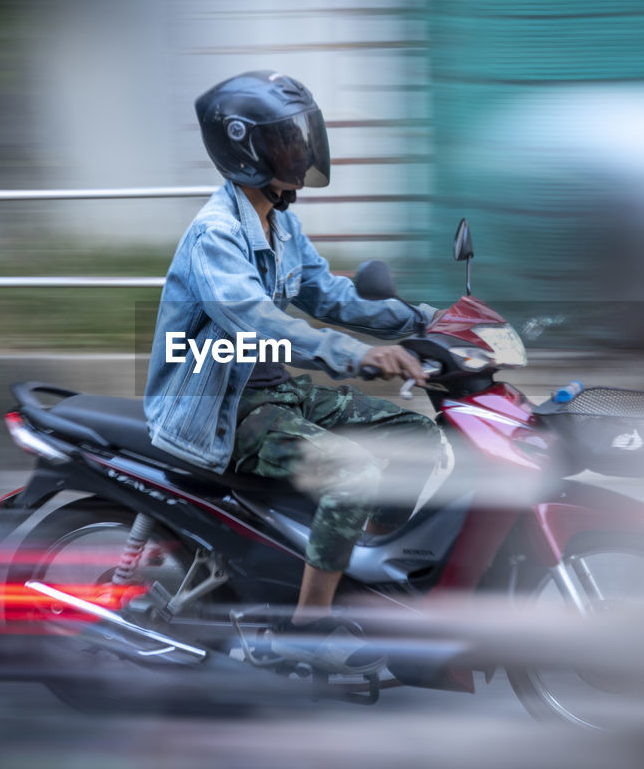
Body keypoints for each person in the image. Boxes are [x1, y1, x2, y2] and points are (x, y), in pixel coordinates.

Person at [144, 70, 442, 671]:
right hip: (224, 408)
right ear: (245, 151)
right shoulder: (216, 235)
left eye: (300, 137)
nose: (300, 152)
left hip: (274, 389)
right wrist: (357, 355)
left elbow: (327, 294)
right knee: (353, 473)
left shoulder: (278, 222)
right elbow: (258, 324)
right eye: (285, 140)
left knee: (419, 437)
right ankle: (308, 625)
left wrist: (426, 319)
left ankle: (341, 561)